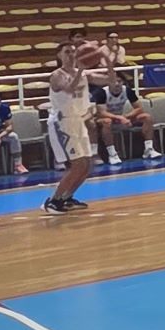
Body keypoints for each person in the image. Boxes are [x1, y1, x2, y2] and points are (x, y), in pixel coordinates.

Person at [43, 42, 108, 213]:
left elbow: (111, 80)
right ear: (59, 55)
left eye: (73, 51)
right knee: (77, 164)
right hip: (62, 122)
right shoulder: (56, 75)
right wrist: (80, 70)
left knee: (87, 164)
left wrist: (106, 59)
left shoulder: (85, 74)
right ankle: (52, 201)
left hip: (78, 120)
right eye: (67, 52)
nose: (71, 55)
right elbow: (69, 89)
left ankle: (66, 197)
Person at [94, 75, 160, 163]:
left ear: (123, 82)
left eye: (119, 81)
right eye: (113, 81)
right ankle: (112, 154)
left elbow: (139, 108)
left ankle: (149, 149)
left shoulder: (127, 90)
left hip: (121, 118)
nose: (117, 84)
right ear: (108, 82)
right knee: (107, 121)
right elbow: (102, 113)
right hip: (104, 119)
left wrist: (126, 117)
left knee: (147, 117)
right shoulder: (102, 92)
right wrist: (119, 118)